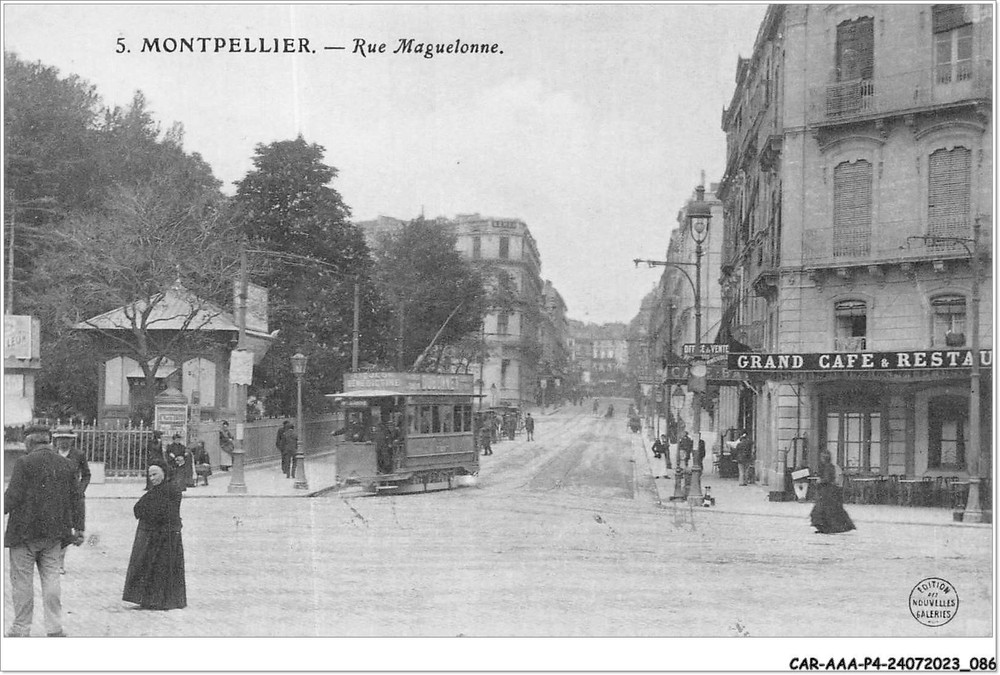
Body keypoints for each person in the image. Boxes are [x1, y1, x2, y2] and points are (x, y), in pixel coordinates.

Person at [4, 425, 84, 637]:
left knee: (22, 582)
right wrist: (80, 528)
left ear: (29, 442)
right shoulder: (66, 464)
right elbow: (77, 498)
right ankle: (55, 628)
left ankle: (21, 628)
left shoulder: (24, 462)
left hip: (24, 534)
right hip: (54, 535)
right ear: (48, 441)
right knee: (51, 580)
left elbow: (13, 496)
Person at [122, 462, 187, 610]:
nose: (152, 478)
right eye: (150, 475)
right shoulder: (156, 491)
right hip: (155, 535)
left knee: (162, 568)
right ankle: (150, 599)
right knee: (151, 567)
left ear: (164, 473)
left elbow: (160, 512)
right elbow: (139, 509)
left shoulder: (171, 489)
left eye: (155, 474)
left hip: (166, 536)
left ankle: (162, 600)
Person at [52, 425, 90, 575]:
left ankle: (60, 562)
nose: (63, 442)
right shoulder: (52, 454)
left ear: (71, 440)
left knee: (67, 527)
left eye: (66, 439)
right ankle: (52, 561)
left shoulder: (78, 455)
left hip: (72, 497)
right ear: (56, 440)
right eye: (61, 439)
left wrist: (80, 489)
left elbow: (86, 474)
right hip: (54, 496)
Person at [810, 450, 856, 534]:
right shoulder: (828, 466)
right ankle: (827, 527)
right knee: (830, 510)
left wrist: (820, 481)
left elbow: (828, 479)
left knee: (825, 510)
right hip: (829, 492)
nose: (821, 459)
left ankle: (827, 527)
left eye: (822, 457)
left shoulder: (828, 467)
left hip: (827, 492)